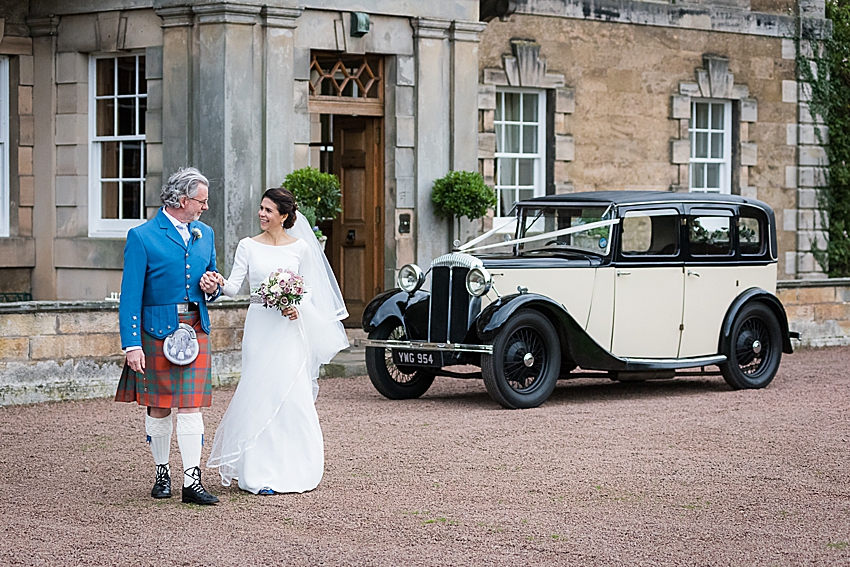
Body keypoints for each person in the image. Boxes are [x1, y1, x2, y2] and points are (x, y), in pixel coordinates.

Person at [207, 187, 348, 494]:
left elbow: (310, 290)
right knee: (258, 391)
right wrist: (216, 281)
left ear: (284, 216)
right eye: (261, 208)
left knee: (290, 395)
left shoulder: (300, 249)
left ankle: (297, 468)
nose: (262, 214)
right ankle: (258, 473)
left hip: (288, 329)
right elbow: (233, 287)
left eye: (269, 210)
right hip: (259, 326)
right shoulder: (247, 246)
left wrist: (296, 305)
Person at [115, 167, 222, 505]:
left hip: (195, 328)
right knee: (159, 406)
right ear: (181, 199)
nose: (205, 207)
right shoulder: (143, 235)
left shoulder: (205, 232)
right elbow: (130, 294)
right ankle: (162, 472)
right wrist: (132, 344)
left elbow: (212, 276)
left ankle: (193, 481)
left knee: (192, 406)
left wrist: (212, 285)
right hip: (156, 330)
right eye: (200, 201)